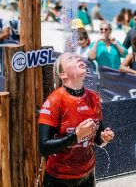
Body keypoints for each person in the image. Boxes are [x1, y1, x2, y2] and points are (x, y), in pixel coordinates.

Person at [38, 52, 114, 186]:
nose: (78, 58)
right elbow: (44, 147)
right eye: (70, 59)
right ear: (63, 75)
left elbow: (96, 135)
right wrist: (76, 136)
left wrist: (103, 137)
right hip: (59, 179)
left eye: (77, 57)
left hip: (88, 175)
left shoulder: (94, 97)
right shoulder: (55, 101)